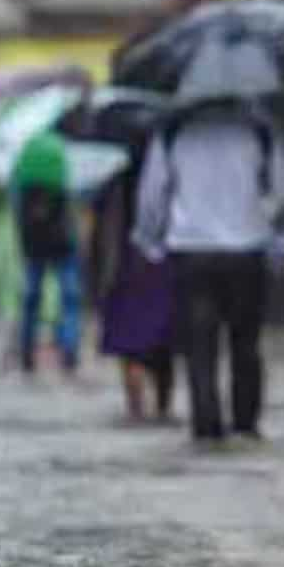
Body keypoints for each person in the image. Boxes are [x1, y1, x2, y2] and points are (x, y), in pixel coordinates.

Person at [133, 43, 284, 442]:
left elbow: (152, 195)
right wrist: (263, 212)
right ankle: (245, 424)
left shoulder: (174, 131)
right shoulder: (259, 129)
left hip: (191, 251)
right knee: (246, 342)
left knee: (199, 343)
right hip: (247, 248)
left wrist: (149, 241)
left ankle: (206, 427)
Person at [92, 162, 175, 425]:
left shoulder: (113, 175)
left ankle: (136, 410)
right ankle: (161, 409)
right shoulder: (168, 166)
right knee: (163, 343)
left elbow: (100, 230)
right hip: (161, 262)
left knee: (130, 346)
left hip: (126, 266)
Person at [13, 132, 82, 375]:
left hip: (35, 247)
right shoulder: (64, 169)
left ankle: (26, 351)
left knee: (31, 299)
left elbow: (18, 218)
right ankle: (69, 352)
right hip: (63, 246)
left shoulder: (21, 176)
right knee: (70, 299)